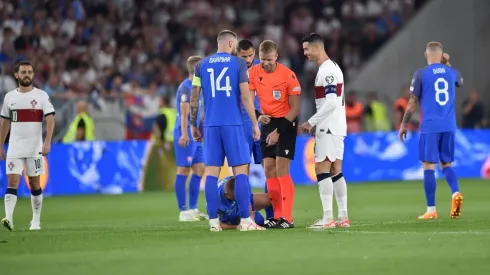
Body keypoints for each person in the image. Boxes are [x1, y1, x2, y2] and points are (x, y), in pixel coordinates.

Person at [189, 30, 263, 232]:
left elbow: (194, 97)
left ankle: (213, 222)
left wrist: (193, 124)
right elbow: (246, 97)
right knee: (240, 171)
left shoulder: (200, 65)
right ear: (231, 43)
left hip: (211, 125)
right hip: (233, 124)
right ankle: (246, 221)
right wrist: (255, 124)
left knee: (211, 173)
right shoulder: (238, 63)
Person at [399, 42, 463, 220]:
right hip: (449, 125)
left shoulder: (420, 74)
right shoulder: (452, 72)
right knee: (447, 165)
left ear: (425, 54)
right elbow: (460, 81)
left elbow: (412, 102)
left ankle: (431, 209)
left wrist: (403, 124)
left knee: (428, 166)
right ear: (442, 55)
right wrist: (448, 64)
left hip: (430, 126)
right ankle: (455, 192)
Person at [299, 33, 350, 229]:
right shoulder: (333, 67)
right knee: (336, 169)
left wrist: (312, 122)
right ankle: (343, 216)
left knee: (321, 167)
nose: (305, 53)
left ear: (317, 48)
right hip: (336, 126)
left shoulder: (327, 71)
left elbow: (331, 101)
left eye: (307, 49)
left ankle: (328, 218)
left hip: (329, 126)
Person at [249, 40, 301, 229]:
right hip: (267, 121)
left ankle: (288, 217)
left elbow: (295, 110)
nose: (265, 63)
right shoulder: (254, 72)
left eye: (269, 60)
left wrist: (278, 132)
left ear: (276, 56)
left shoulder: (288, 76)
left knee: (281, 168)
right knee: (268, 168)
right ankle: (277, 216)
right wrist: (258, 115)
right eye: (262, 59)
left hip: (286, 122)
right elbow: (247, 99)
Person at [0, 61, 55, 231]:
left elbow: (50, 118)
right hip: (15, 147)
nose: (27, 75)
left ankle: (36, 221)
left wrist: (47, 142)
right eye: (23, 72)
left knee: (34, 183)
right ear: (16, 75)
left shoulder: (41, 95)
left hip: (34, 148)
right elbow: (5, 122)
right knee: (13, 181)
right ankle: (8, 218)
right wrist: (1, 145)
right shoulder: (10, 97)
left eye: (30, 72)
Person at [236, 39, 274, 221]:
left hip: (265, 125)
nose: (248, 59)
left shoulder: (263, 68)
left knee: (269, 169)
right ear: (237, 55)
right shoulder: (233, 70)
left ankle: (273, 215)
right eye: (244, 56)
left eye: (251, 55)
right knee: (244, 169)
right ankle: (248, 213)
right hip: (243, 126)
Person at [172, 56, 207, 222]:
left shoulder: (197, 87)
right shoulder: (185, 87)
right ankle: (183, 211)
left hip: (195, 135)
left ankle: (193, 209)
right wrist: (185, 134)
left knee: (199, 169)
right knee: (183, 170)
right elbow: (185, 113)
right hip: (185, 133)